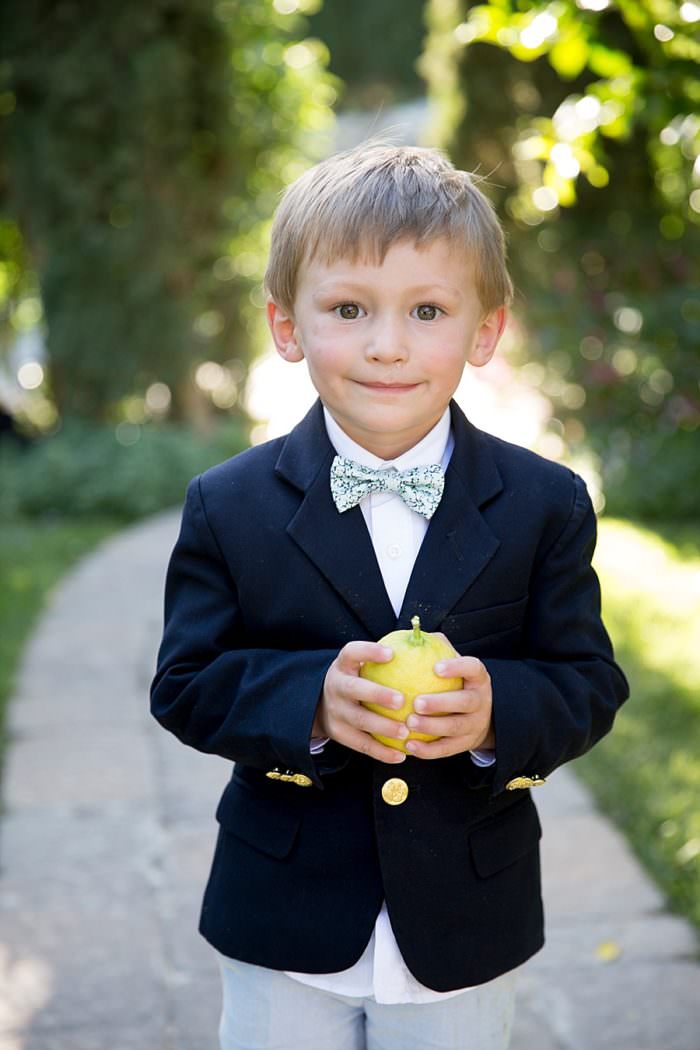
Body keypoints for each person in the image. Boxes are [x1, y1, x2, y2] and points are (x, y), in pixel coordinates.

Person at [150, 142, 629, 1050]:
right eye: (347, 309)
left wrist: (498, 714)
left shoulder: (544, 503)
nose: (386, 344)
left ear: (485, 330)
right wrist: (313, 705)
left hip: (465, 923)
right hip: (281, 923)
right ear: (287, 326)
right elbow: (186, 682)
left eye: (427, 310)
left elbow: (587, 681)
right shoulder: (229, 503)